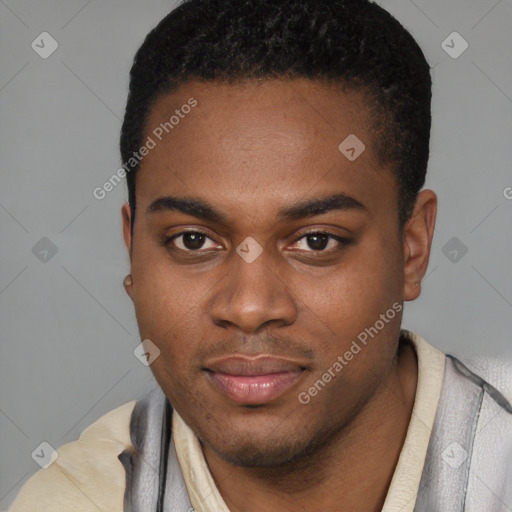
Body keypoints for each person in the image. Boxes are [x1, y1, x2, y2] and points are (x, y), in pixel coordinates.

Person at [8, 0, 512, 510]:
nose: (249, 306)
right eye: (192, 240)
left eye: (317, 241)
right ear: (132, 248)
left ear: (412, 249)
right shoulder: (77, 500)